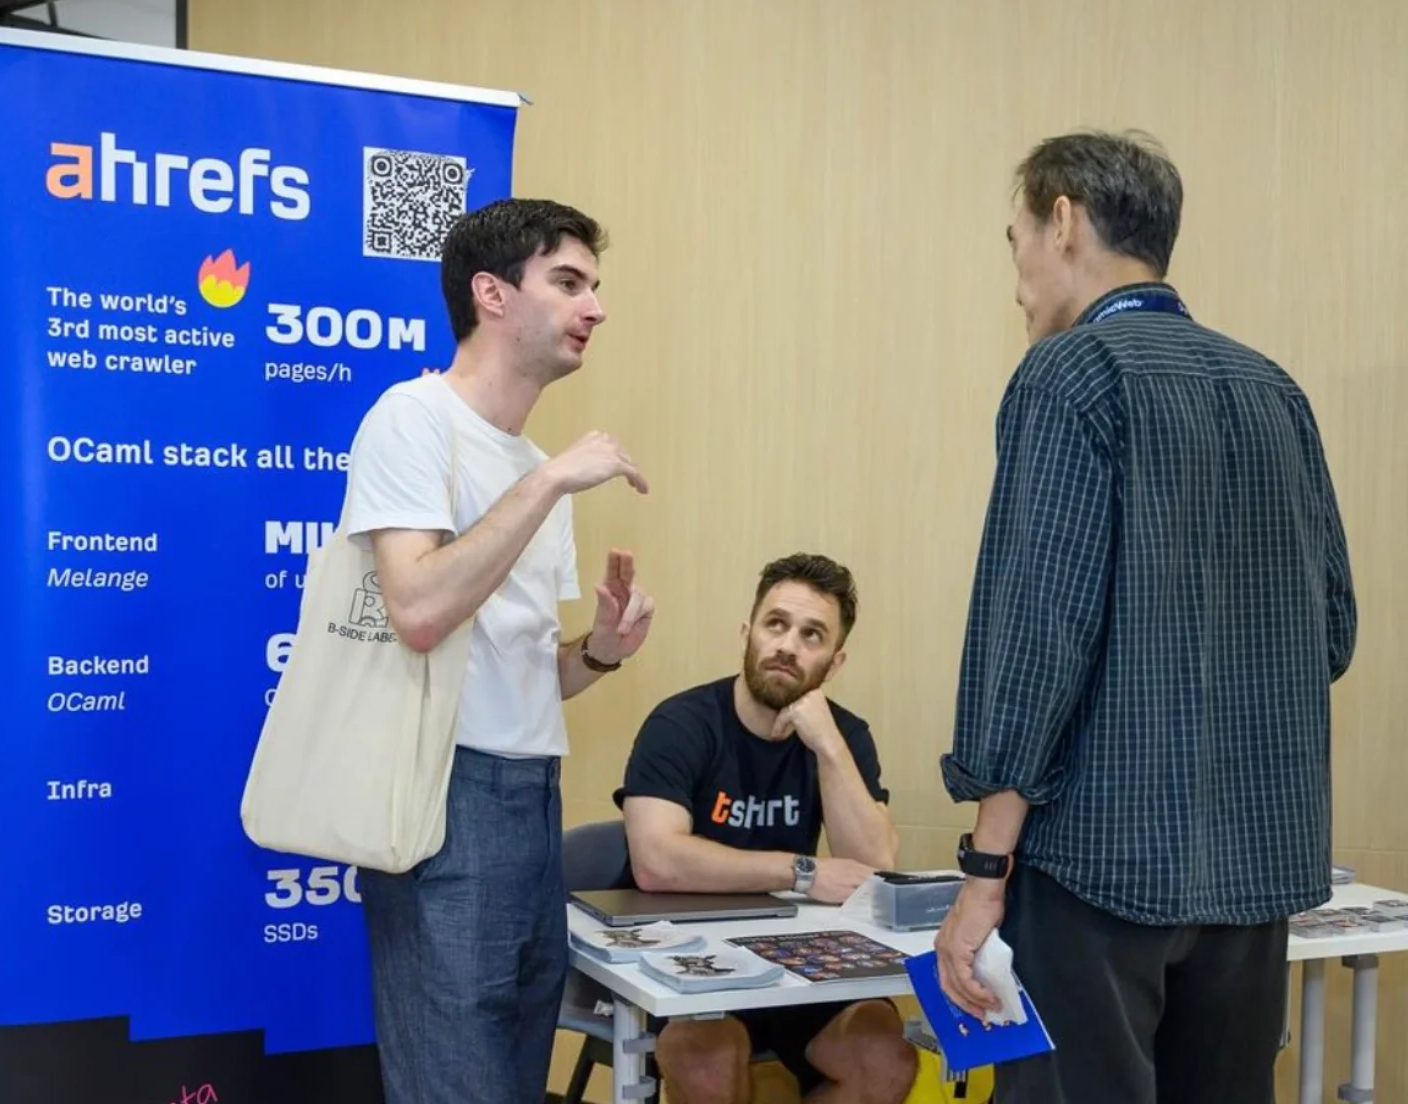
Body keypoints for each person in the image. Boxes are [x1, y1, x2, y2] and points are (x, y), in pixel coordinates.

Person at [935, 129, 1357, 1103]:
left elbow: (1035, 646)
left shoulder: (1069, 376)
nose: (1015, 280)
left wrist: (984, 868)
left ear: (1063, 221)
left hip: (1097, 868)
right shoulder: (1274, 390)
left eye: (1014, 242)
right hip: (1256, 871)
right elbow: (1330, 630)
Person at [341, 198, 657, 1104]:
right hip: (447, 795)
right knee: (454, 1085)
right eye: (567, 283)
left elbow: (522, 674)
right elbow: (419, 609)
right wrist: (551, 479)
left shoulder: (532, 463)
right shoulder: (412, 419)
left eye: (594, 287)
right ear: (491, 294)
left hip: (533, 797)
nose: (593, 307)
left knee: (513, 1081)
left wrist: (597, 653)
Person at [615, 553, 917, 1104]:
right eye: (775, 624)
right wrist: (802, 872)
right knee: (707, 1059)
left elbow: (875, 868)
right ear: (747, 632)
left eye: (812, 635)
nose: (788, 646)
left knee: (886, 1059)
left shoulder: (844, 736)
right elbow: (655, 861)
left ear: (835, 661)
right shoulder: (681, 724)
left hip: (797, 960)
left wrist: (827, 745)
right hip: (687, 953)